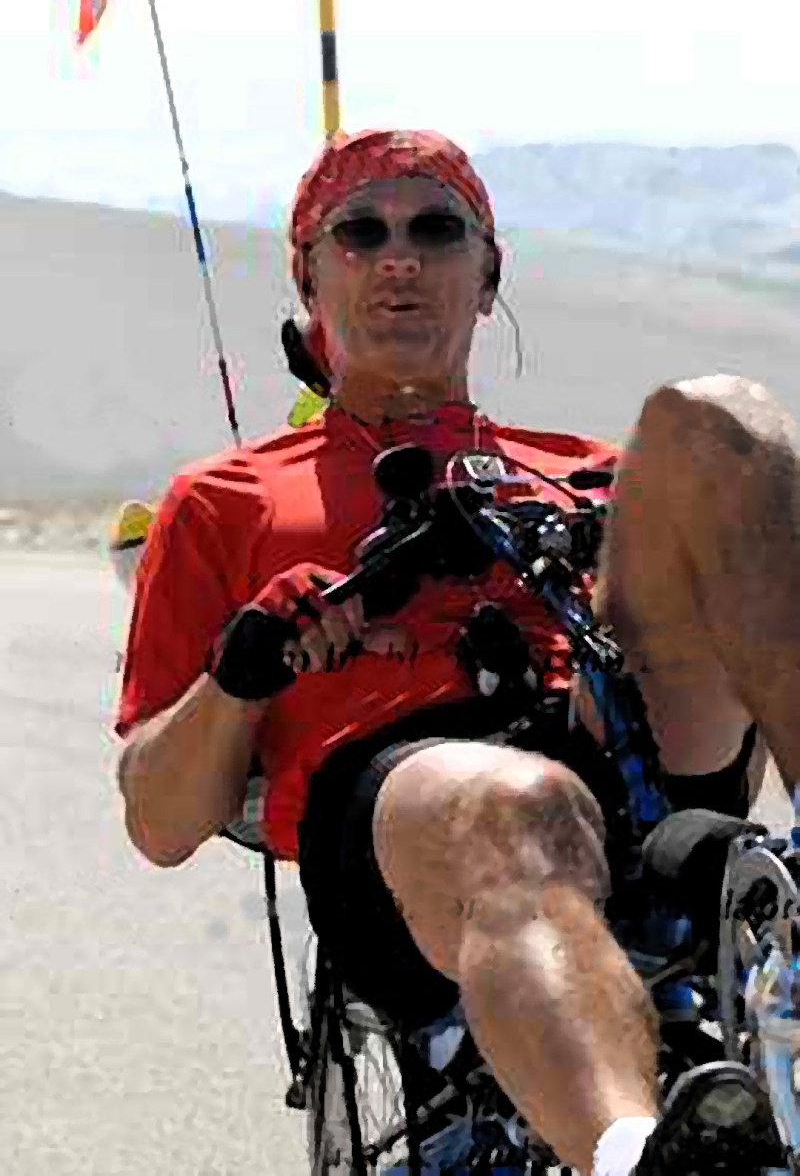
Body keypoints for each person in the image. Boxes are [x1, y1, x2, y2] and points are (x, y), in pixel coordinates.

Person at [113, 129, 793, 1176]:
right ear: (307, 273)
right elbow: (159, 820)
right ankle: (632, 1157)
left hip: (618, 756)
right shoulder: (226, 498)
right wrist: (245, 667)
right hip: (400, 818)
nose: (398, 258)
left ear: (486, 276)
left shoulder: (587, 469)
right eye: (360, 232)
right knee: (510, 802)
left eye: (435, 229)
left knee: (716, 420)